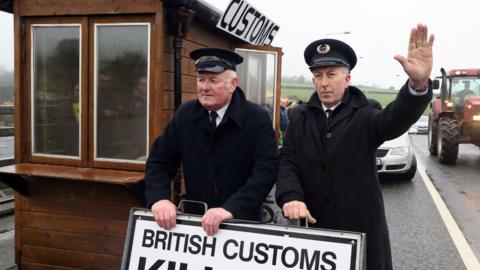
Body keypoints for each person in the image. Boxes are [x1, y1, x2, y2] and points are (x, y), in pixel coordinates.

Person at [275, 24, 434, 270]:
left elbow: (394, 119)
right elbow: (288, 162)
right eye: (318, 75)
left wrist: (418, 85)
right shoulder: (299, 118)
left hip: (361, 231)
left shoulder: (366, 113)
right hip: (314, 228)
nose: (324, 82)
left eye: (331, 74)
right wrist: (291, 196)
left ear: (347, 79)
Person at [145, 47, 277, 236]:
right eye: (201, 79)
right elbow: (160, 160)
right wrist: (159, 198)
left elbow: (266, 171)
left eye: (213, 80)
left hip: (240, 223)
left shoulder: (257, 118)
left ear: (233, 84)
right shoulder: (186, 114)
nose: (204, 87)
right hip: (195, 224)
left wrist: (231, 208)